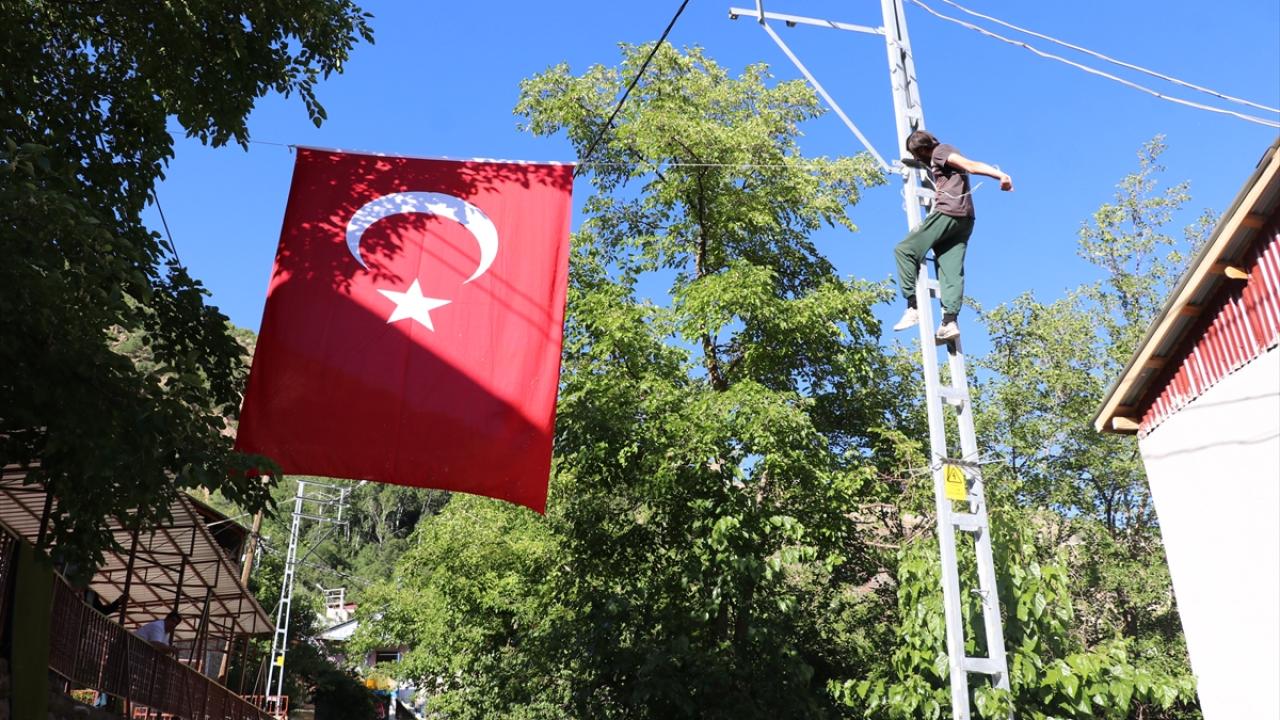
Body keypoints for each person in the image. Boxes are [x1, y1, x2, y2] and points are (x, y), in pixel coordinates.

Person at [891, 129, 1013, 341]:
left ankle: (913, 307)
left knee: (905, 250)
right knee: (950, 270)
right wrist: (911, 162)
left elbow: (971, 166)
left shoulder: (940, 151)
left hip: (948, 212)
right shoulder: (936, 156)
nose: (918, 158)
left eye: (917, 154)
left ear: (924, 149)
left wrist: (1000, 175)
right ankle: (949, 321)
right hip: (965, 220)